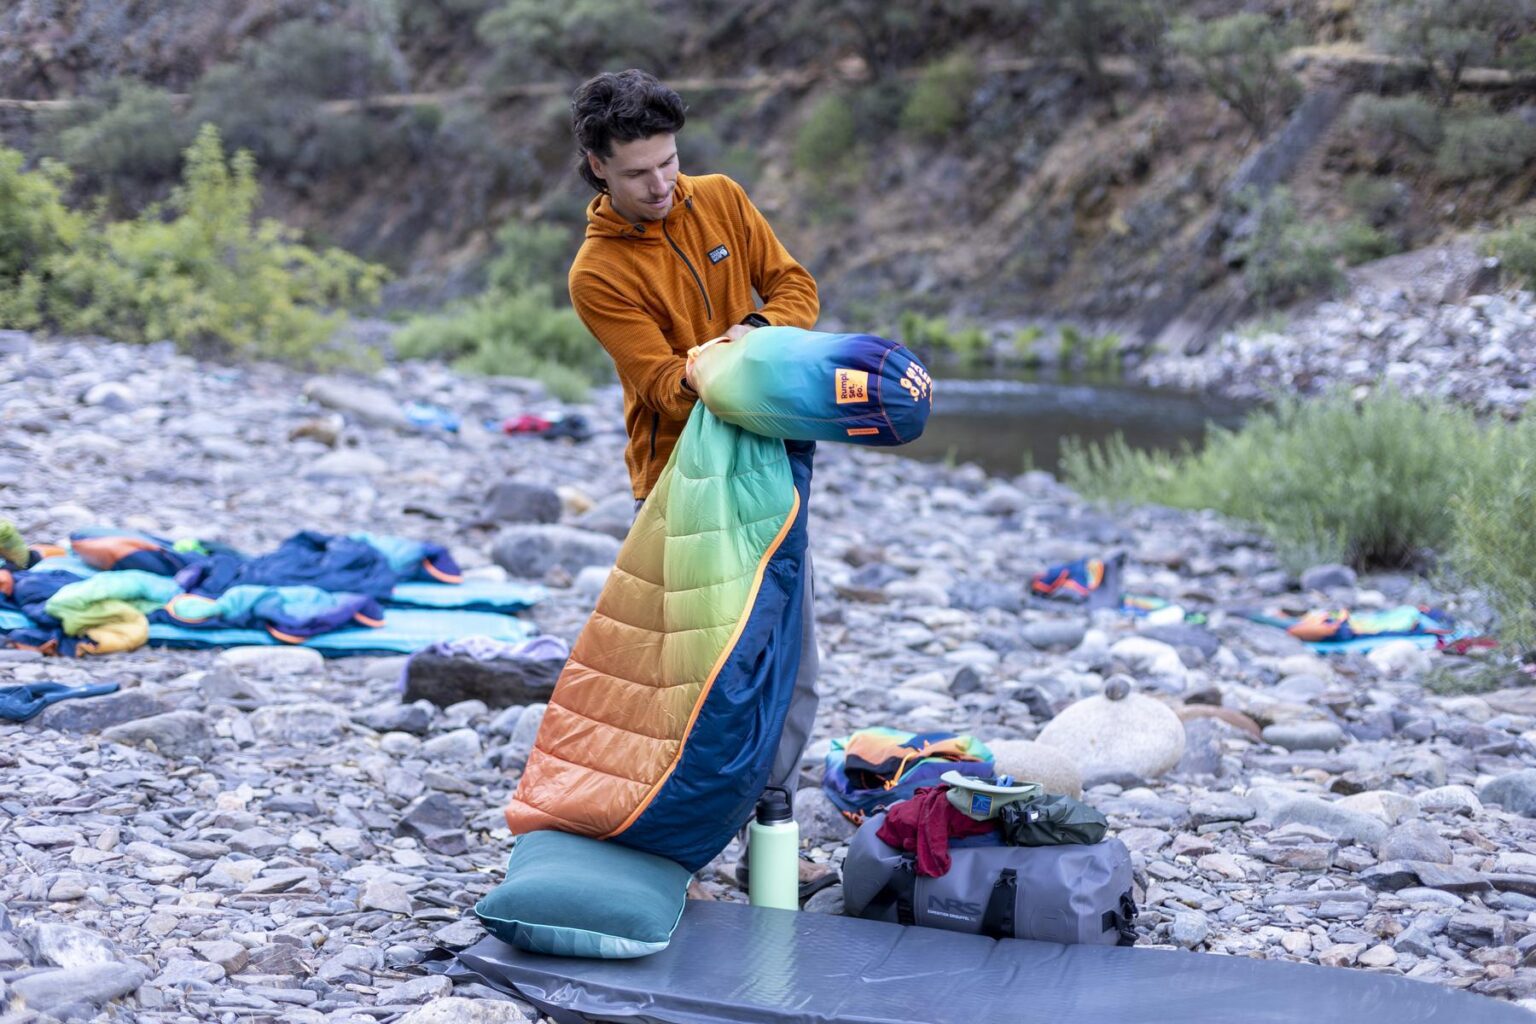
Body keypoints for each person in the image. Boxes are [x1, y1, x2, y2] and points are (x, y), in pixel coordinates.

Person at [566, 69, 832, 898]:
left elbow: (796, 289)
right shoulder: (597, 272)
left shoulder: (719, 198)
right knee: (699, 678)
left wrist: (747, 336)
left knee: (792, 665)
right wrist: (742, 363)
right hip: (682, 485)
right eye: (640, 170)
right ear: (597, 165)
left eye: (670, 162)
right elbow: (662, 385)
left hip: (773, 462)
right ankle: (665, 845)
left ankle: (772, 836)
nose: (661, 185)